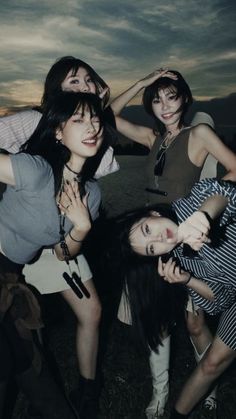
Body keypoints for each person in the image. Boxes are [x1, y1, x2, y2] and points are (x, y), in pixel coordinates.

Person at [110, 68, 236, 417]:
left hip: (187, 234)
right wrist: (140, 83)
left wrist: (209, 208)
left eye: (172, 96)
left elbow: (235, 169)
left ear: (185, 98)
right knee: (156, 319)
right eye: (156, 98)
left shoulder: (199, 134)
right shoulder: (152, 138)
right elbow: (108, 116)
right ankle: (160, 392)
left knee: (195, 322)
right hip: (149, 237)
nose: (164, 105)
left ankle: (208, 386)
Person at [0, 56, 119, 419]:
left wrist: (81, 228)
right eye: (78, 120)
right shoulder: (33, 169)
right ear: (57, 131)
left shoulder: (91, 196)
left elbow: (64, 253)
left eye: (95, 119)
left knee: (23, 366)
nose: (91, 127)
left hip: (10, 277)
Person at [116, 177, 236, 418]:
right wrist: (187, 280)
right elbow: (223, 299)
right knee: (212, 362)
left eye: (147, 229)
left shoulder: (189, 207)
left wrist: (204, 216)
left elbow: (226, 192)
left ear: (152, 213)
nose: (158, 240)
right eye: (151, 248)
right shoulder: (180, 260)